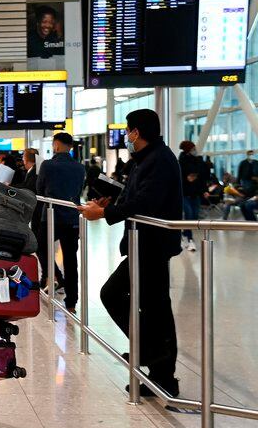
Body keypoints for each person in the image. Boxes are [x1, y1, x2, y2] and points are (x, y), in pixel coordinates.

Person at [79, 109, 183, 398]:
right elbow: (134, 196)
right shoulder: (146, 160)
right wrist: (110, 200)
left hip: (153, 245)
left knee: (152, 307)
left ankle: (160, 369)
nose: (126, 135)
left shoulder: (160, 159)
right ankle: (153, 362)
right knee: (141, 303)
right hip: (142, 244)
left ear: (136, 132)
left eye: (128, 130)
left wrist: (103, 213)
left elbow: (146, 201)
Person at [37, 133, 85, 314]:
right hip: (72, 218)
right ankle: (72, 301)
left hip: (50, 216)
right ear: (70, 146)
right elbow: (79, 191)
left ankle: (56, 275)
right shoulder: (80, 168)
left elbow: (40, 190)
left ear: (56, 145)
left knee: (41, 247)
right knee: (71, 260)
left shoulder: (47, 165)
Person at [178, 140, 203, 252]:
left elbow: (202, 174)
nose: (195, 150)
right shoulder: (181, 162)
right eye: (193, 148)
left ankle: (184, 233)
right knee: (189, 215)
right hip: (185, 193)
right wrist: (186, 179)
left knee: (194, 217)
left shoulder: (197, 160)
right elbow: (178, 178)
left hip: (195, 193)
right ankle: (190, 239)